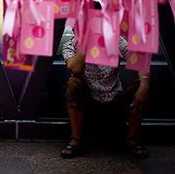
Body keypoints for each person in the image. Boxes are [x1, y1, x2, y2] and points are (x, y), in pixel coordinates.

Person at [60, 27, 150, 159]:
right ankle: (75, 138)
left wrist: (144, 86)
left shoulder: (116, 42)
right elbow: (76, 70)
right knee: (73, 82)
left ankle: (131, 139)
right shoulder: (70, 46)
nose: (74, 29)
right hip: (88, 103)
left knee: (142, 86)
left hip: (114, 101)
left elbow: (142, 63)